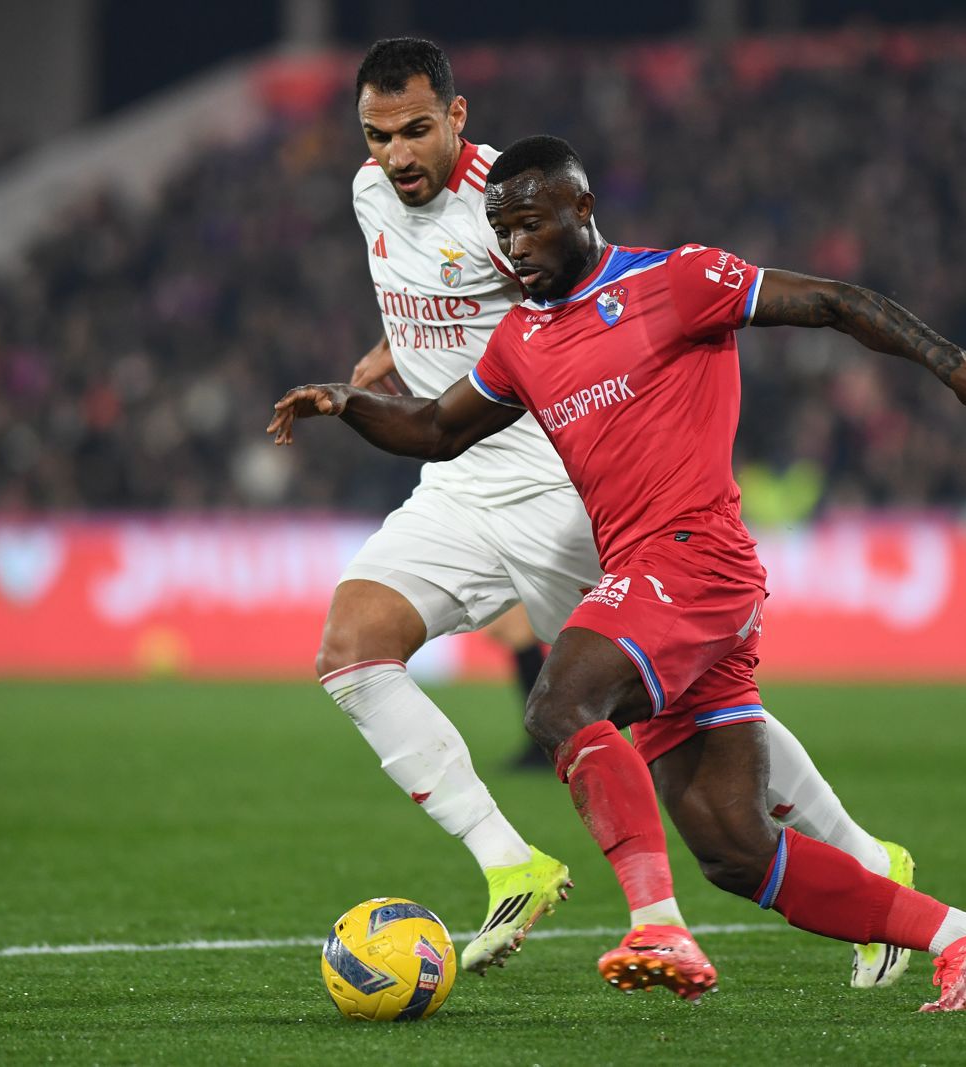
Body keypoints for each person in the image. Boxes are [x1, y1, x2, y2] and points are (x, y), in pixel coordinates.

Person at [271, 134, 966, 1011]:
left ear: (582, 210)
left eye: (529, 225)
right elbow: (440, 430)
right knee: (735, 849)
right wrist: (346, 405)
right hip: (656, 579)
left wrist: (955, 369)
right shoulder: (523, 338)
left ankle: (656, 925)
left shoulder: (674, 282)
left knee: (561, 702)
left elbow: (832, 300)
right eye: (502, 231)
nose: (515, 248)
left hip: (696, 560)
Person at [327, 39, 918, 986]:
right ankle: (509, 861)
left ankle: (859, 856)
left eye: (414, 131)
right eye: (375, 135)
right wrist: (389, 350)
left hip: (556, 486)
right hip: (455, 483)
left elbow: (585, 290)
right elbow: (428, 295)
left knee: (671, 709)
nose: (395, 155)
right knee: (350, 648)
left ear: (457, 116)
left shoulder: (502, 204)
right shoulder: (368, 194)